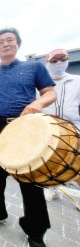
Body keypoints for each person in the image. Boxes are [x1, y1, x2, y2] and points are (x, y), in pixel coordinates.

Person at [0, 28, 57, 247]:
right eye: (0, 42)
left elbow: (50, 92)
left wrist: (37, 103)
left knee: (30, 178)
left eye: (10, 40)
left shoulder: (35, 67)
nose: (5, 44)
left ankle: (36, 229)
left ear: (18, 44)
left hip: (25, 128)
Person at [42, 48, 80, 208]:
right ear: (48, 63)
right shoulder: (41, 83)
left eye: (62, 58)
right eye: (54, 60)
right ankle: (53, 189)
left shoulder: (77, 81)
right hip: (49, 129)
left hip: (73, 127)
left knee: (77, 163)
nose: (58, 63)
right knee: (51, 162)